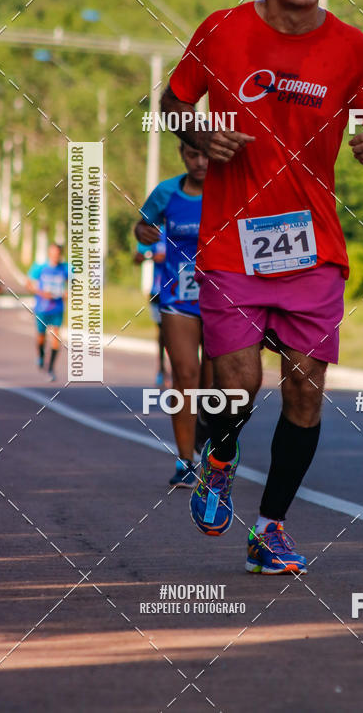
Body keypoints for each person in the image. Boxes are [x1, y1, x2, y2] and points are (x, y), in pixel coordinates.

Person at [161, 0, 363, 573]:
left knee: (304, 389)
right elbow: (172, 102)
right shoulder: (222, 30)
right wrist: (199, 133)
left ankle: (270, 528)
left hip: (313, 245)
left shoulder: (349, 46)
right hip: (231, 242)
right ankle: (218, 459)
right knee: (237, 386)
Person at [135, 142, 212, 488]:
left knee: (215, 382)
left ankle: (205, 435)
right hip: (178, 296)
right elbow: (142, 228)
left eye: (206, 155)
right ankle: (185, 462)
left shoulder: (231, 188)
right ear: (182, 154)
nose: (200, 162)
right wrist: (143, 232)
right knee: (185, 376)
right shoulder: (166, 192)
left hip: (223, 296)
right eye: (193, 155)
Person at [27, 243, 68, 382]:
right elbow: (28, 284)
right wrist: (41, 293)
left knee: (56, 337)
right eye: (53, 253)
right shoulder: (40, 268)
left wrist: (68, 293)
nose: (55, 256)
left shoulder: (65, 268)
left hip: (57, 308)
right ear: (49, 254)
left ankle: (51, 368)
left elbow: (77, 282)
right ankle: (41, 355)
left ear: (60, 254)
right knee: (41, 336)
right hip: (42, 308)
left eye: (58, 253)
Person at [134, 231, 168, 387]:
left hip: (180, 291)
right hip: (157, 291)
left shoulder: (185, 226)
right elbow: (137, 257)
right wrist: (151, 256)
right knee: (162, 332)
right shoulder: (154, 232)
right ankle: (161, 369)